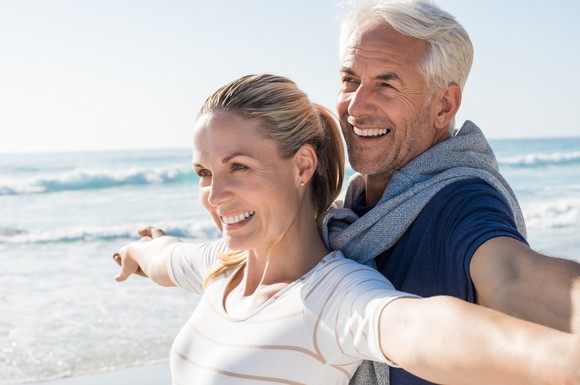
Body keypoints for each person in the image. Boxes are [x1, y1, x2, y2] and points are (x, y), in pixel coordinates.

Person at [113, 73, 580, 385]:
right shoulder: (220, 265)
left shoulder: (335, 297)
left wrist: (564, 361)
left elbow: (424, 327)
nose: (215, 196)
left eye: (239, 168)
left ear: (302, 166)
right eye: (203, 173)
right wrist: (138, 251)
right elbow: (165, 258)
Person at [319, 1, 580, 384]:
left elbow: (512, 274)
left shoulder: (462, 201)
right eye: (350, 79)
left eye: (386, 84)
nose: (356, 106)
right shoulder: (349, 212)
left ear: (443, 105)